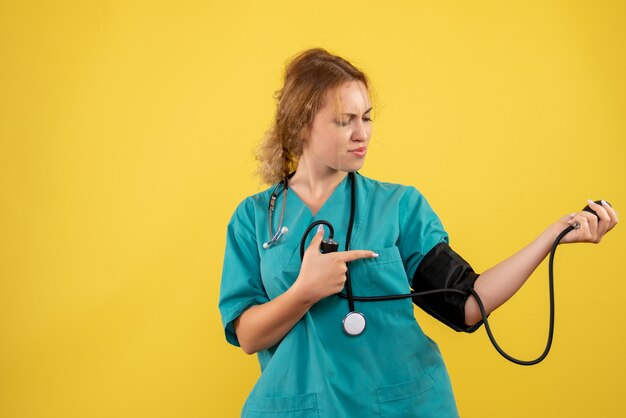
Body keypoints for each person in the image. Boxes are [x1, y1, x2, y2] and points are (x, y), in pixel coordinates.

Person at [218, 48, 618, 417]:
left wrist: (551, 237)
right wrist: (305, 290)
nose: (363, 134)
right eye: (345, 121)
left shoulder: (399, 207)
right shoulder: (254, 219)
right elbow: (248, 336)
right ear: (301, 124)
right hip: (303, 407)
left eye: (367, 117)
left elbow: (467, 304)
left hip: (399, 404)